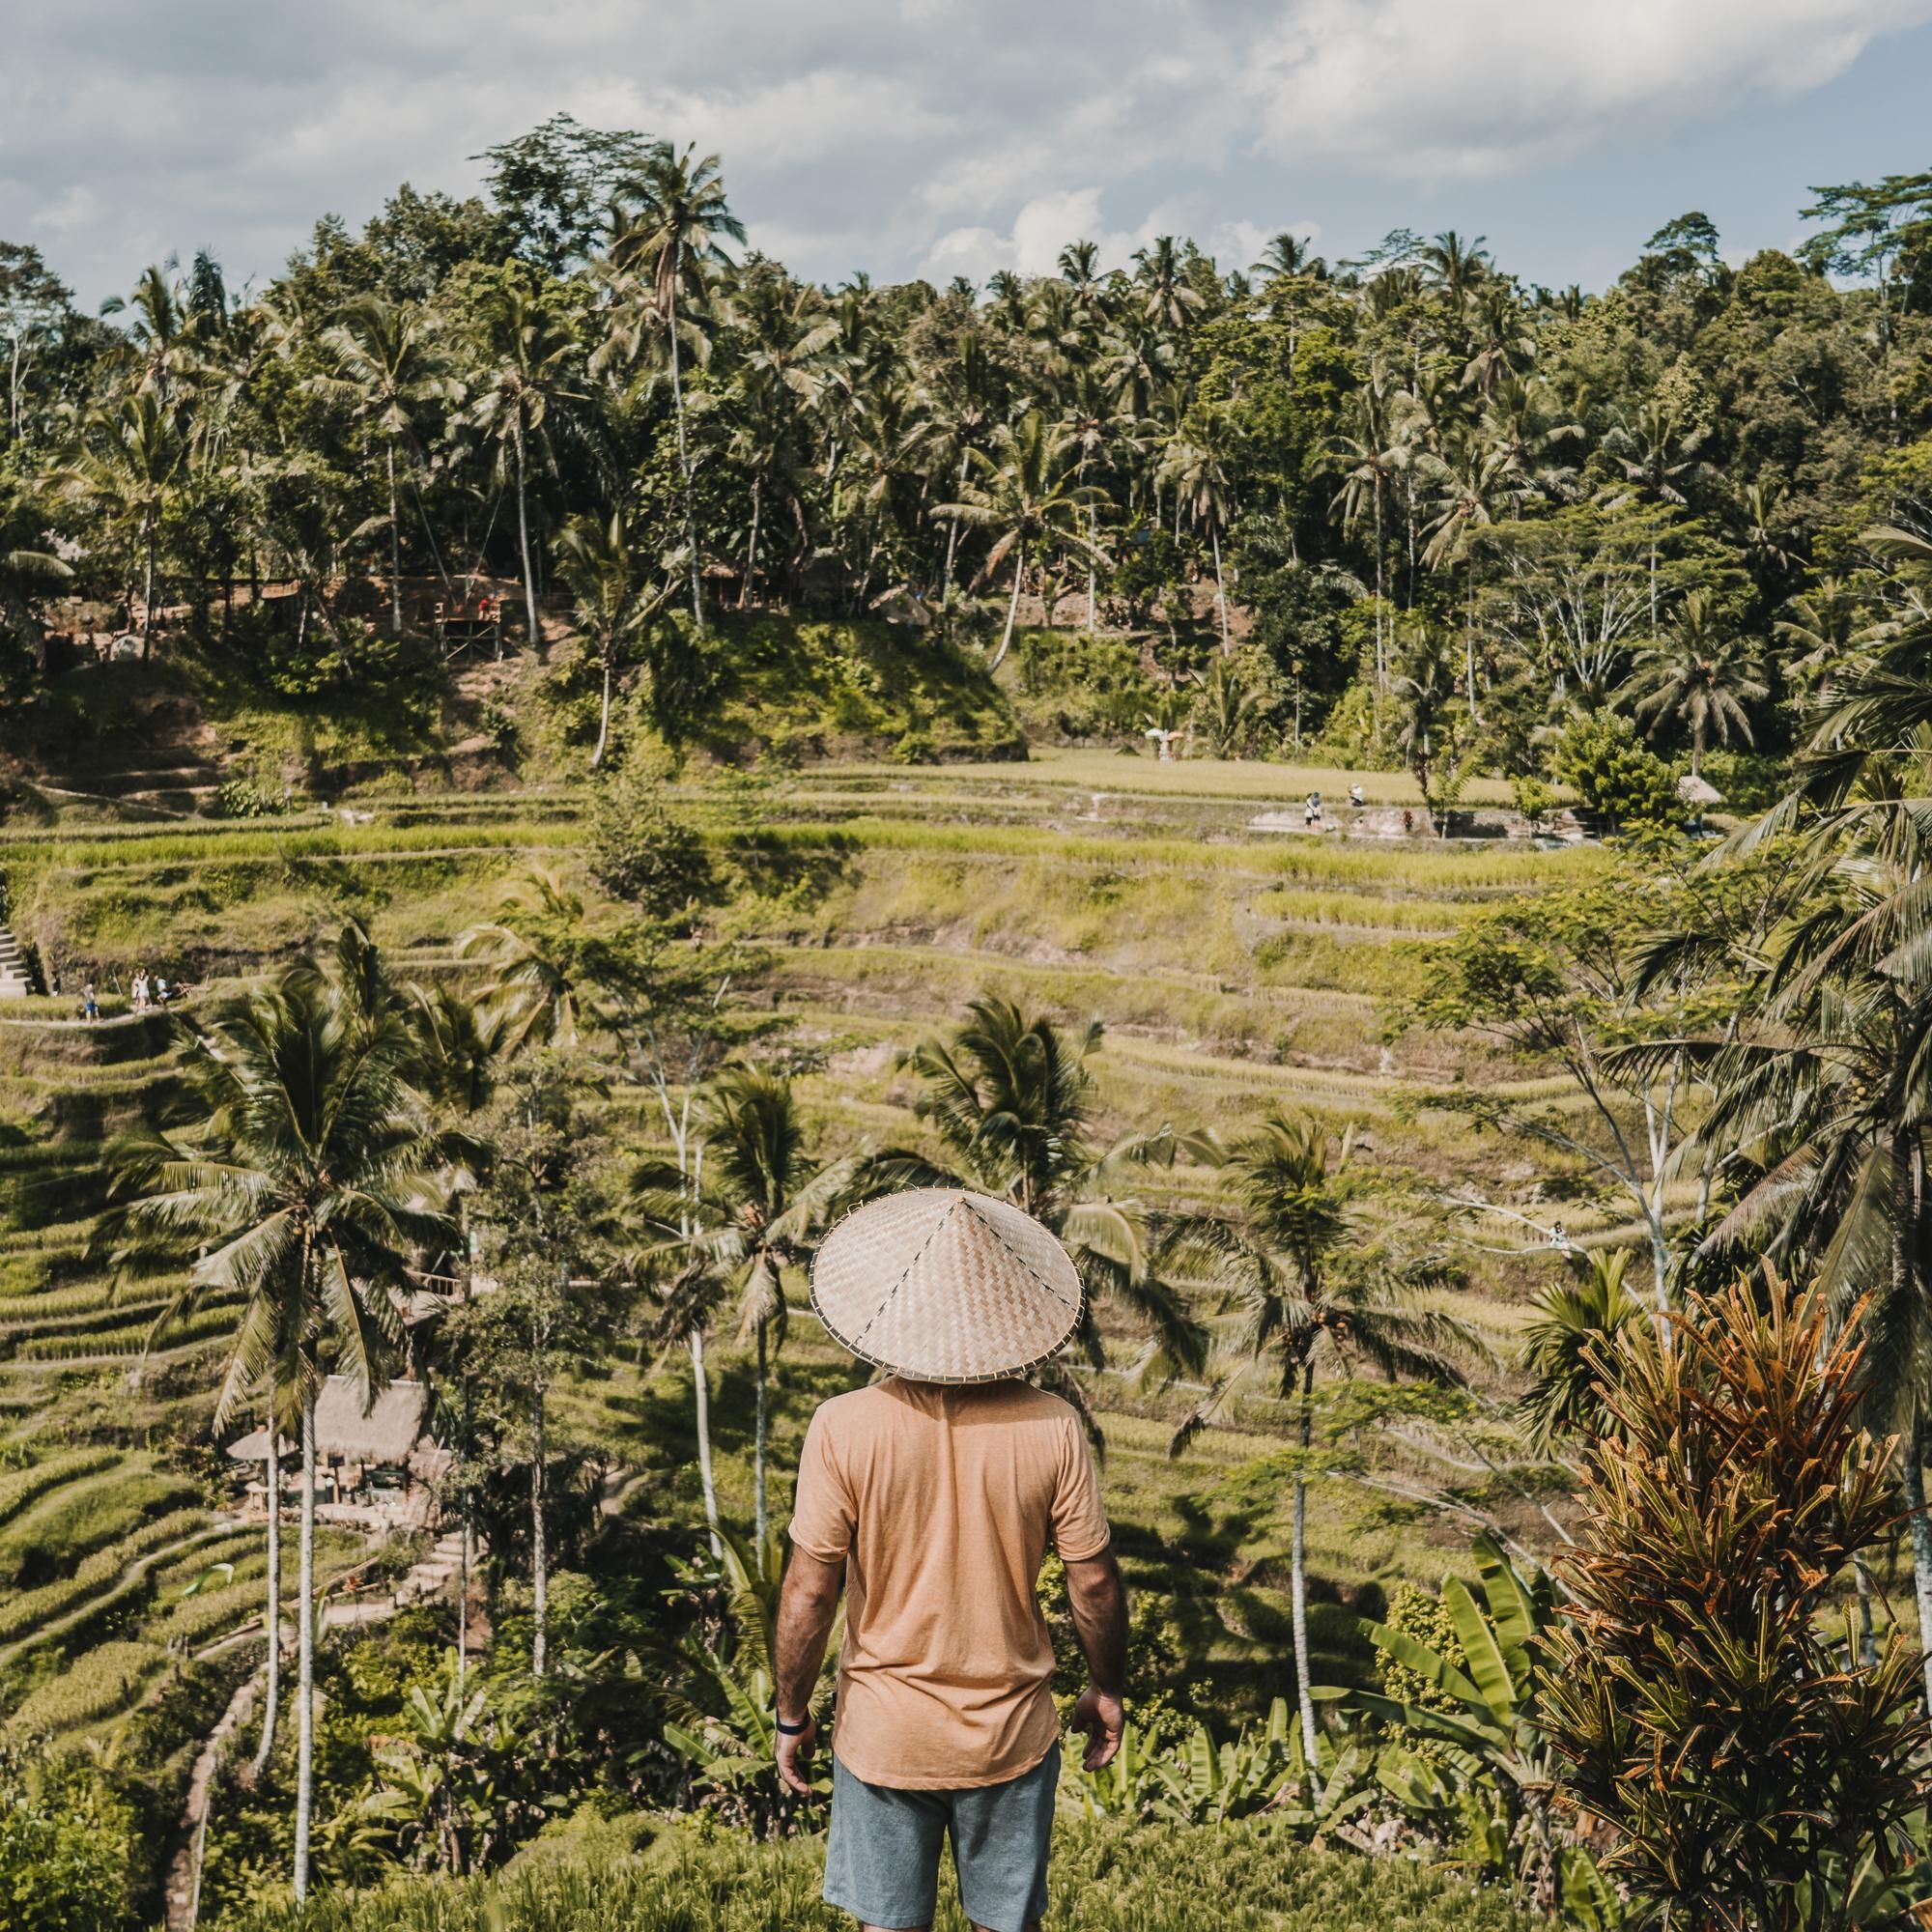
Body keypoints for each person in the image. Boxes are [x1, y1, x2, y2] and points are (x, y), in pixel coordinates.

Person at [775, 1188, 1128, 1932]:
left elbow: (811, 1592)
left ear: (890, 1315)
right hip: (1010, 1732)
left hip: (884, 1732)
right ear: (1004, 1318)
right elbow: (1090, 1581)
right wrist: (1104, 1687)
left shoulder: (843, 1426)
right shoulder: (1052, 1427)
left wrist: (791, 1715)